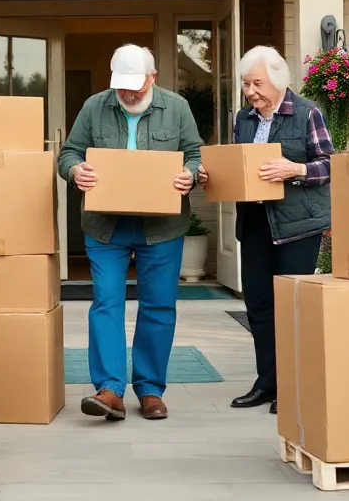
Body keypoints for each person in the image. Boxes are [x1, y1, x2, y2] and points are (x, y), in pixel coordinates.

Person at [58, 44, 202, 422]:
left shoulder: (177, 108)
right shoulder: (94, 106)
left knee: (158, 305)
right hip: (106, 226)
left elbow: (195, 154)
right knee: (106, 303)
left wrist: (191, 173)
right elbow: (68, 153)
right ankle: (110, 389)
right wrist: (76, 171)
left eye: (136, 86)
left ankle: (151, 390)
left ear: (152, 78)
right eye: (122, 86)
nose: (129, 94)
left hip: (163, 226)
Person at [199, 45, 333, 416]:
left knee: (291, 307)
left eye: (257, 83)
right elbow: (240, 165)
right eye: (246, 84)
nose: (251, 92)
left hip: (296, 226)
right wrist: (215, 175)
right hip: (255, 223)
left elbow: (330, 165)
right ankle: (266, 383)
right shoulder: (243, 118)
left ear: (278, 80)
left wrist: (295, 170)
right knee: (258, 305)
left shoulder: (307, 113)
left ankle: (291, 387)